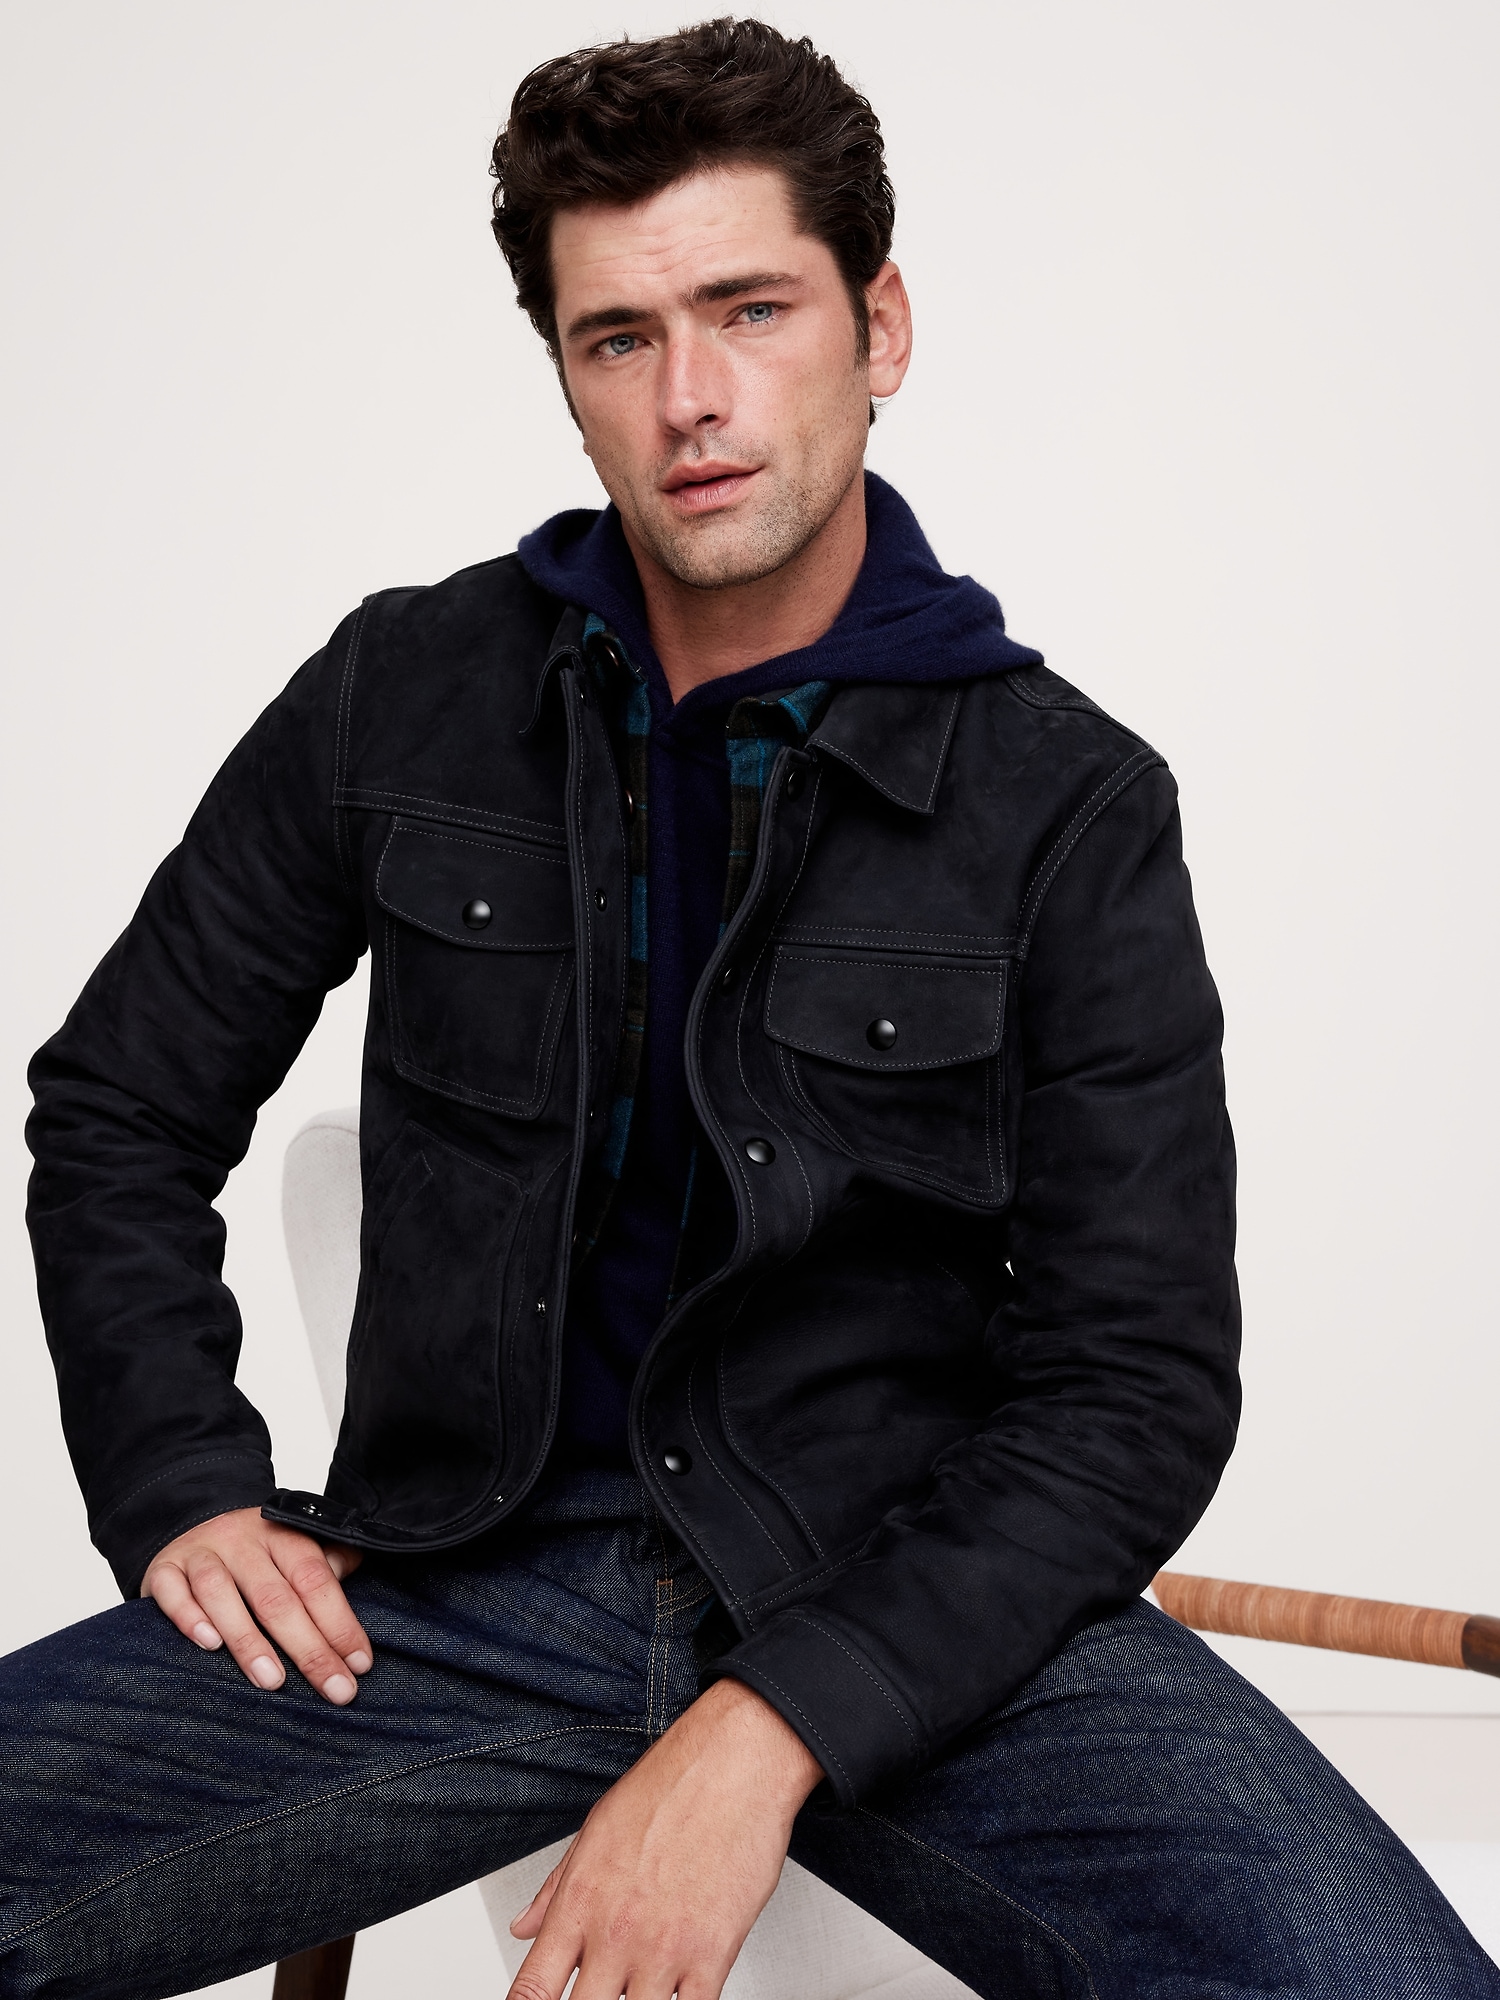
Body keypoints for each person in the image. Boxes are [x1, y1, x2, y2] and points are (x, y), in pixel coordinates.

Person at [4, 17, 1495, 2000]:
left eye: (751, 310)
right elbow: (121, 1105)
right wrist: (177, 1478)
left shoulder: (1067, 802)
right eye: (619, 337)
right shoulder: (402, 693)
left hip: (920, 1598)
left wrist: (768, 1726)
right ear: (565, 374)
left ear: (880, 326)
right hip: (450, 1593)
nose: (690, 399)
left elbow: (1137, 1383)